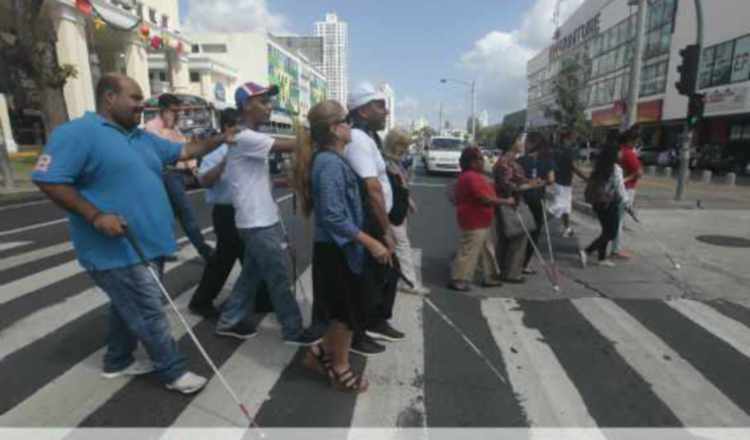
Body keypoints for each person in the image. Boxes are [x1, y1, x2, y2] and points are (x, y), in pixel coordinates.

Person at [31, 73, 233, 394]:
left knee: (128, 306)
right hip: (116, 248)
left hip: (150, 245)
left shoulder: (141, 138)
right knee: (149, 310)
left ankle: (117, 360)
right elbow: (48, 179)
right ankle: (172, 370)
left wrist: (221, 139)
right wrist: (95, 215)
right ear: (109, 97)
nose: (142, 105)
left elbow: (184, 152)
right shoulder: (79, 133)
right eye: (135, 98)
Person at [296, 100, 393, 393]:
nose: (350, 127)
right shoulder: (328, 163)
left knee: (347, 312)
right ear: (335, 129)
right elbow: (333, 216)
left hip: (343, 249)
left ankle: (320, 354)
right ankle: (339, 367)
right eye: (346, 122)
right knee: (344, 315)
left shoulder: (334, 160)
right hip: (336, 251)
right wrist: (371, 242)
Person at [214, 82, 320, 346]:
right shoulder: (244, 136)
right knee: (279, 276)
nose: (269, 107)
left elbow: (254, 177)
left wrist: (283, 183)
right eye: (263, 102)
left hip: (261, 218)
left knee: (252, 274)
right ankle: (293, 330)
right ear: (247, 105)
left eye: (269, 101)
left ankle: (228, 320)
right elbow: (292, 145)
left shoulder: (250, 135)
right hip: (256, 221)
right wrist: (321, 132)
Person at [344, 82, 404, 355]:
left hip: (378, 217)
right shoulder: (357, 139)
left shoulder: (370, 137)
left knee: (388, 272)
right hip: (369, 219)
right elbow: (371, 188)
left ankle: (376, 319)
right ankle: (356, 333)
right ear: (363, 110)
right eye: (380, 105)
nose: (386, 110)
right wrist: (386, 229)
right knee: (365, 278)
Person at [145, 94, 214, 262]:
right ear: (163, 110)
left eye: (178, 111)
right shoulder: (151, 127)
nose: (176, 115)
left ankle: (161, 249)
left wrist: (194, 169)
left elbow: (185, 150)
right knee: (185, 212)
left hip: (177, 175)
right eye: (173, 111)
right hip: (165, 174)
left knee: (168, 214)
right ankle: (203, 249)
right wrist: (171, 132)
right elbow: (164, 151)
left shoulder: (175, 129)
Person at [187, 108, 241, 318]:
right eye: (239, 126)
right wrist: (225, 162)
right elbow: (204, 180)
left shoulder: (246, 147)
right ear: (227, 127)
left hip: (245, 210)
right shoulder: (215, 151)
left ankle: (262, 297)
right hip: (226, 212)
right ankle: (201, 301)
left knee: (253, 257)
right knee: (223, 260)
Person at [449, 147, 511, 292]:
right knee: (469, 251)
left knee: (486, 249)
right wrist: (505, 201)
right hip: (474, 219)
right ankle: (459, 279)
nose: (483, 162)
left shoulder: (473, 175)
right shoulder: (471, 177)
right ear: (472, 162)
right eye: (480, 159)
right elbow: (484, 198)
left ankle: (489, 276)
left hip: (481, 220)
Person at [383, 128, 430, 295]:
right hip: (391, 214)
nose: (405, 149)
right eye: (402, 145)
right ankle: (409, 283)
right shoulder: (386, 164)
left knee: (399, 245)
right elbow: (387, 191)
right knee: (402, 246)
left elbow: (401, 186)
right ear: (394, 145)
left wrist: (409, 201)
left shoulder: (396, 163)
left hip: (397, 212)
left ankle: (399, 279)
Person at [493, 135, 544, 283]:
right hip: (509, 204)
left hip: (513, 203)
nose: (521, 143)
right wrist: (530, 185)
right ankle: (511, 273)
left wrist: (532, 182)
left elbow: (519, 179)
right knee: (517, 237)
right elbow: (509, 186)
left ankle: (507, 271)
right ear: (512, 144)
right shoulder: (505, 163)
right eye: (518, 140)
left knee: (514, 238)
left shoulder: (511, 162)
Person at [583, 144, 629, 266]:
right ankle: (587, 251)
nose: (621, 154)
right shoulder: (616, 169)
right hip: (609, 203)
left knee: (606, 231)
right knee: (612, 233)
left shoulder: (600, 167)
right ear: (614, 155)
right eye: (620, 152)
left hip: (598, 203)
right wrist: (627, 203)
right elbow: (620, 188)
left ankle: (601, 258)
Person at [517, 132, 556, 275]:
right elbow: (551, 180)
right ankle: (524, 264)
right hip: (538, 199)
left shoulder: (521, 160)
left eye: (526, 141)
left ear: (531, 144)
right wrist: (541, 182)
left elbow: (517, 180)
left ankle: (514, 261)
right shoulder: (547, 160)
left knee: (521, 230)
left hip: (522, 198)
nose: (524, 144)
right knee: (534, 232)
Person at [611, 127, 643, 260]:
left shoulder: (619, 150)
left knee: (618, 220)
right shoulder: (628, 153)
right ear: (631, 140)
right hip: (626, 189)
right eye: (636, 141)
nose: (637, 143)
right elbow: (639, 172)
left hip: (619, 188)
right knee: (619, 221)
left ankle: (615, 247)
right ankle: (616, 249)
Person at [548, 130, 587, 237]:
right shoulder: (569, 151)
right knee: (558, 207)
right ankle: (539, 223)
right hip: (564, 184)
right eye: (573, 138)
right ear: (566, 138)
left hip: (560, 183)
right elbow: (575, 167)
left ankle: (567, 228)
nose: (574, 141)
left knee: (566, 208)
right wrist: (587, 179)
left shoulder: (555, 150)